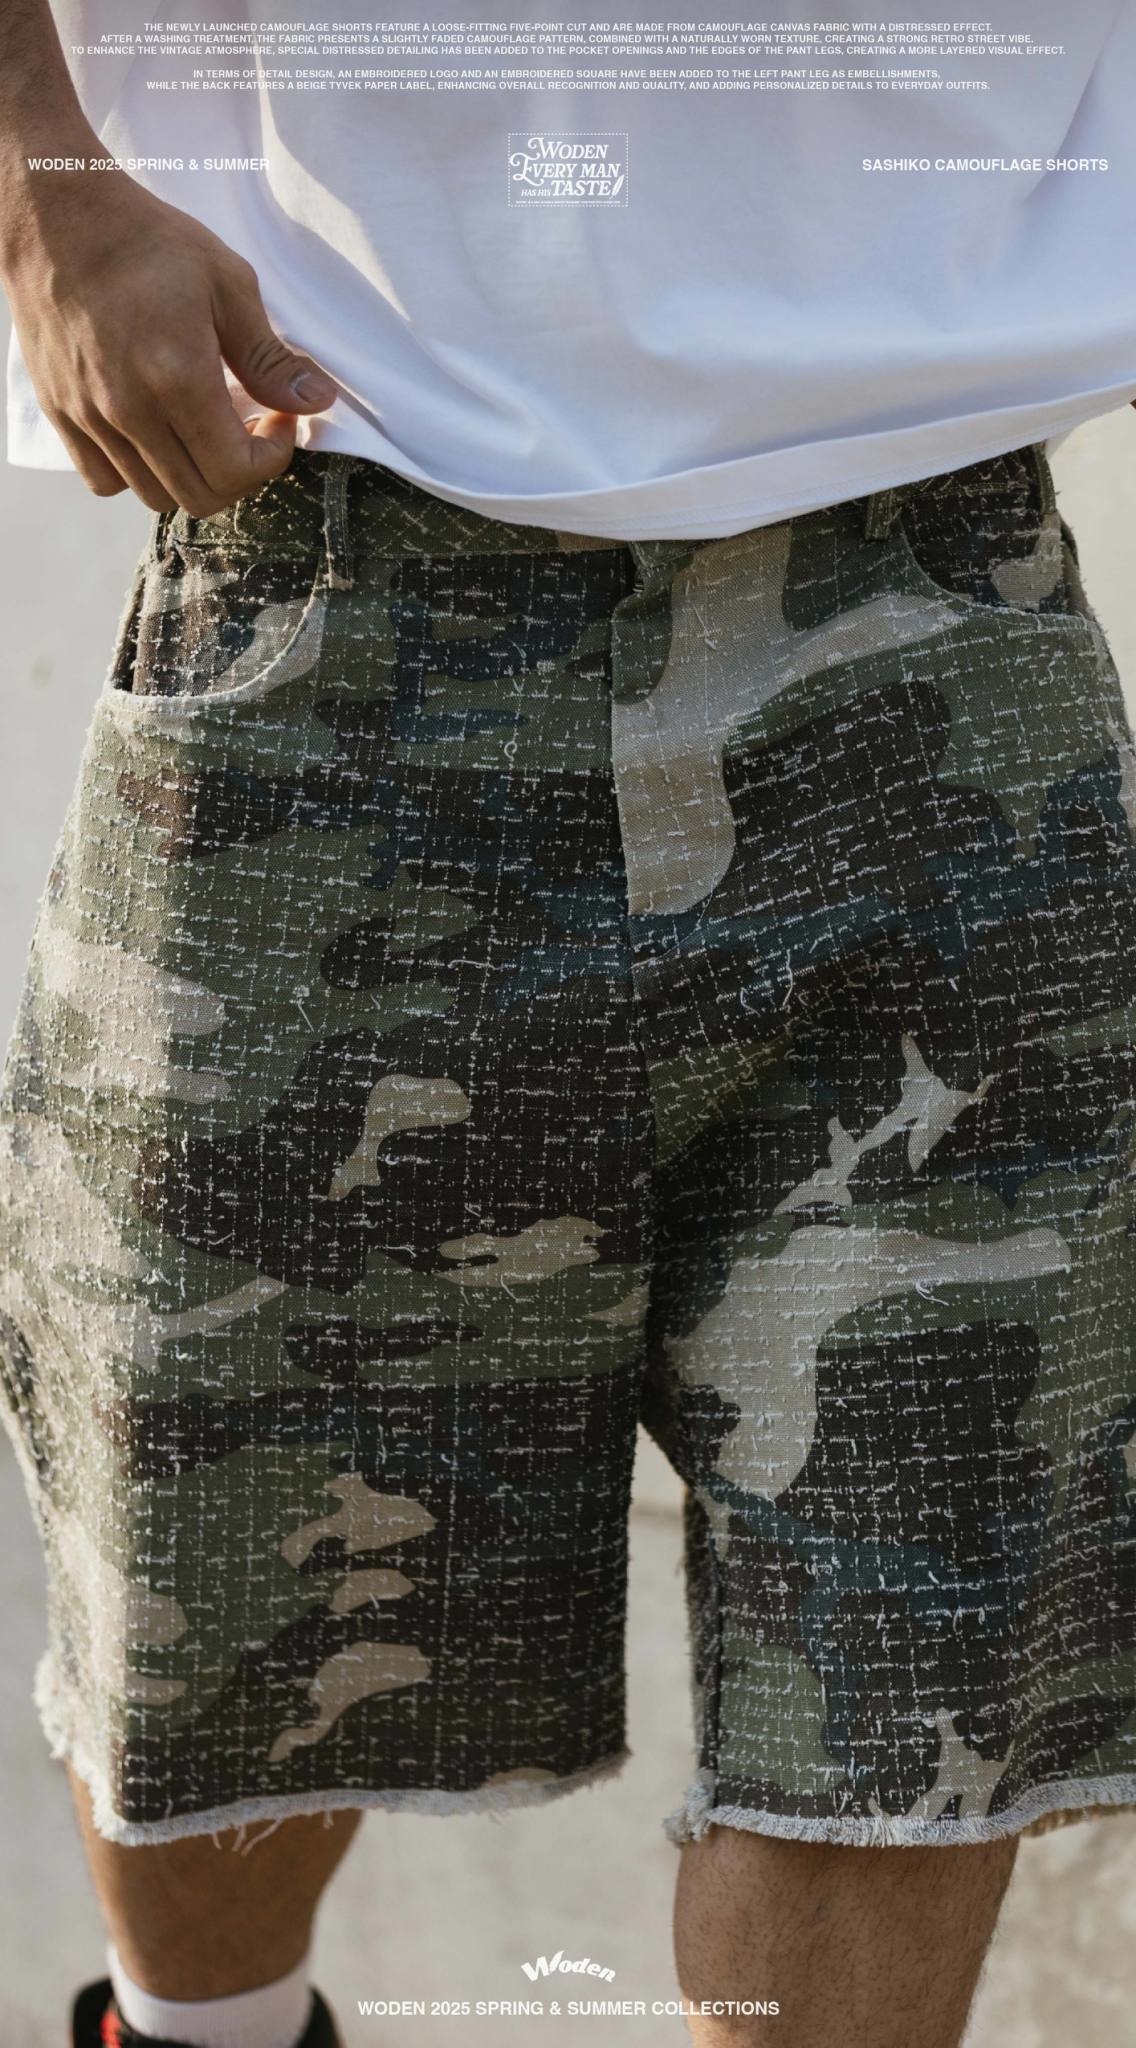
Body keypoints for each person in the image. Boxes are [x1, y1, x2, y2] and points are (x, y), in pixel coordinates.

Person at [2, 3, 1135, 2045]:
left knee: (915, 1671)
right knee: (224, 1592)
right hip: (332, 557)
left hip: (939, 604)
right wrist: (45, 177)